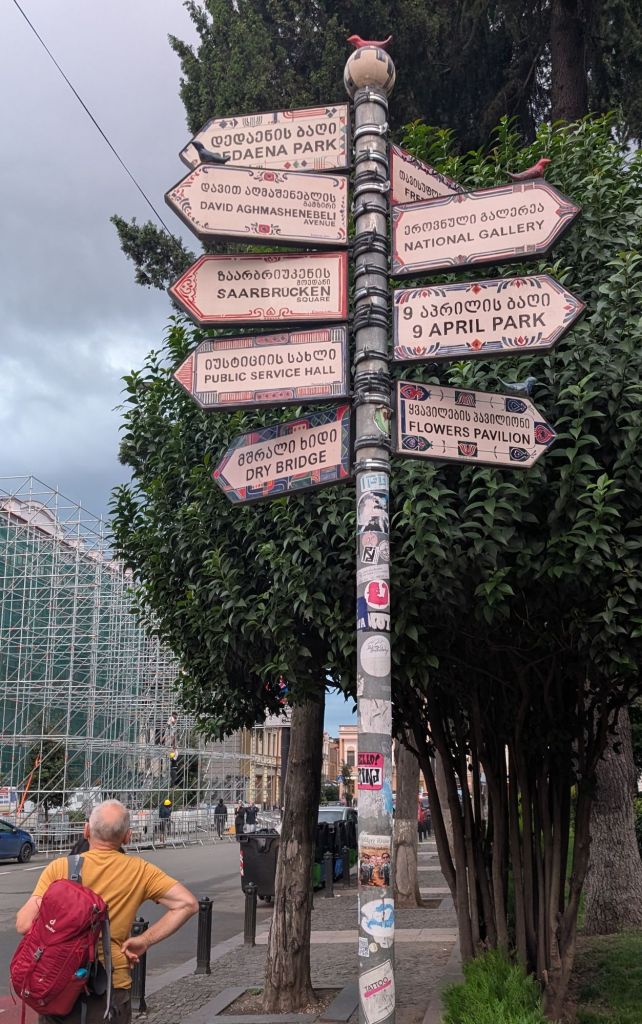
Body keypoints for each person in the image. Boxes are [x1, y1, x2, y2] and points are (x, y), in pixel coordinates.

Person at [16, 800, 197, 1024]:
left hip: (58, 981)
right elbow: (187, 904)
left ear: (86, 831)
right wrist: (144, 940)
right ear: (127, 837)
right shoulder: (141, 871)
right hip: (110, 985)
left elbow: (24, 924)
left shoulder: (60, 868)